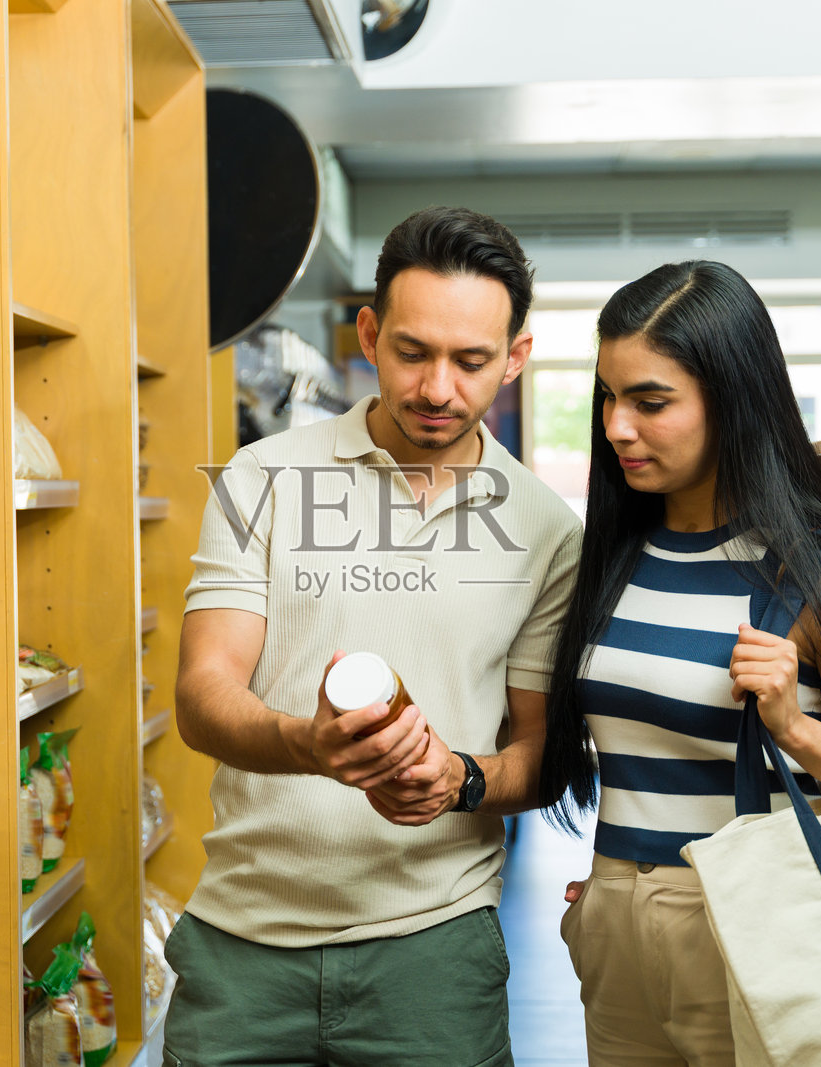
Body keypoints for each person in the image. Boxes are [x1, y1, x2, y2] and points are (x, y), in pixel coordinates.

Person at [167, 206, 583, 1067]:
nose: (438, 388)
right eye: (412, 352)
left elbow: (545, 753)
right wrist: (308, 745)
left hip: (434, 953)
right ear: (368, 334)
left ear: (515, 357)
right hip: (244, 943)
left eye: (471, 361)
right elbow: (203, 695)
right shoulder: (264, 477)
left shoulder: (546, 530)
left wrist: (460, 778)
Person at [538, 261, 821, 1066]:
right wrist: (617, 899)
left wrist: (796, 730)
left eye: (650, 402)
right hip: (616, 926)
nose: (616, 427)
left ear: (731, 402)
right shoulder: (613, 556)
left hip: (756, 927)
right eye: (609, 396)